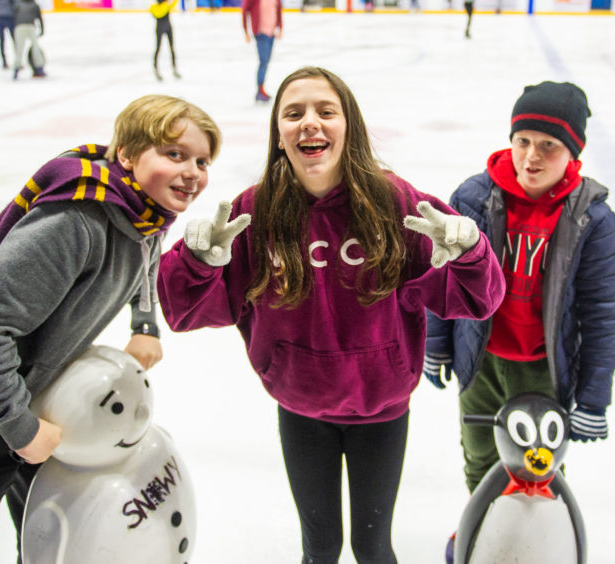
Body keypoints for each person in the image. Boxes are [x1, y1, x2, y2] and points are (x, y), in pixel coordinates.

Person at [158, 66, 505, 563]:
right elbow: (183, 312)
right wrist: (195, 263)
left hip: (381, 411)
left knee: (372, 547)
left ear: (349, 126)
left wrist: (471, 254)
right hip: (302, 410)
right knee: (319, 548)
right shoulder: (254, 212)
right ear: (279, 134)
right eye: (293, 113)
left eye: (326, 111)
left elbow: (478, 300)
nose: (309, 123)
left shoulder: (395, 204)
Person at [0, 94, 221, 563]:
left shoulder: (144, 211)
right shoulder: (77, 221)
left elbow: (147, 253)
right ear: (127, 155)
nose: (192, 172)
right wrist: (18, 427)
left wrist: (145, 322)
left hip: (35, 388)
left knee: (44, 526)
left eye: (202, 160)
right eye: (175, 154)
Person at [422, 81, 615, 561]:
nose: (531, 156)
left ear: (573, 153)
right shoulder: (474, 197)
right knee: (480, 453)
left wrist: (593, 396)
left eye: (548, 146)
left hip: (544, 369)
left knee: (539, 462)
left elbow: (601, 312)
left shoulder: (591, 218)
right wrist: (436, 341)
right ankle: (483, 526)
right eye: (523, 141)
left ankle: (540, 537)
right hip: (481, 359)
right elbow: (442, 273)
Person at [241, 0, 282, 103]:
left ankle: (261, 88)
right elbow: (245, 10)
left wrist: (280, 28)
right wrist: (246, 31)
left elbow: (278, 11)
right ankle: (260, 89)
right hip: (260, 33)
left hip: (271, 33)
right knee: (263, 61)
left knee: (266, 61)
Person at [12, 0, 46, 80]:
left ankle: (17, 69)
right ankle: (38, 68)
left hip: (23, 26)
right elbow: (39, 17)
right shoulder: (32, 4)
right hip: (25, 26)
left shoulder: (19, 4)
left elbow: (13, 16)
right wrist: (42, 29)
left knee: (25, 48)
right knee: (33, 48)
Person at [151, 0, 181, 81]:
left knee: (172, 48)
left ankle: (174, 68)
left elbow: (173, 3)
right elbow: (158, 13)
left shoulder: (165, 4)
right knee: (158, 48)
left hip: (167, 27)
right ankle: (156, 68)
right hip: (160, 28)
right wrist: (166, 4)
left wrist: (168, 3)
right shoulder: (155, 6)